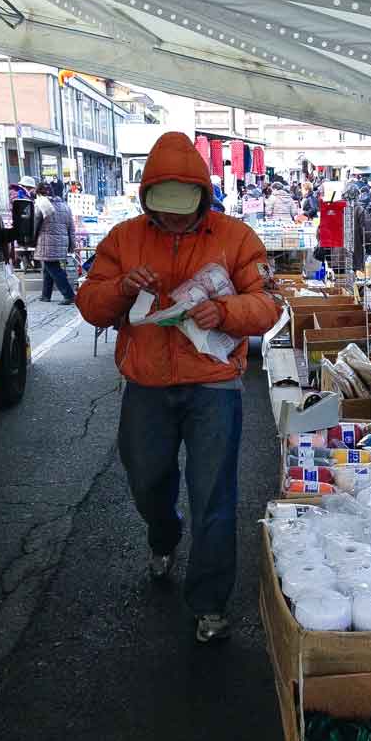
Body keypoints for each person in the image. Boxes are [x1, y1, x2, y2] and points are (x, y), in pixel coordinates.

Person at [75, 132, 280, 643]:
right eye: (162, 205)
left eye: (183, 205)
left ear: (202, 195)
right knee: (147, 479)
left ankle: (209, 604)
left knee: (215, 495)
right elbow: (90, 303)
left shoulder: (235, 237)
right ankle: (163, 532)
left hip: (214, 384)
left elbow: (269, 303)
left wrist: (226, 311)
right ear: (148, 196)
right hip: (145, 383)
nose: (172, 218)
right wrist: (122, 288)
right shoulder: (123, 238)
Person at [34, 181, 76, 304]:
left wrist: (30, 239)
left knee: (53, 268)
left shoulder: (41, 205)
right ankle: (46, 295)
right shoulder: (64, 206)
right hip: (62, 242)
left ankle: (69, 295)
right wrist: (72, 245)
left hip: (47, 242)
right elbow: (71, 227)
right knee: (48, 268)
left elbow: (35, 224)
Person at [344, 186, 371, 271]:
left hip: (335, 257)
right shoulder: (360, 211)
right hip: (354, 254)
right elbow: (368, 232)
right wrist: (370, 249)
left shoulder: (335, 209)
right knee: (351, 280)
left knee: (336, 280)